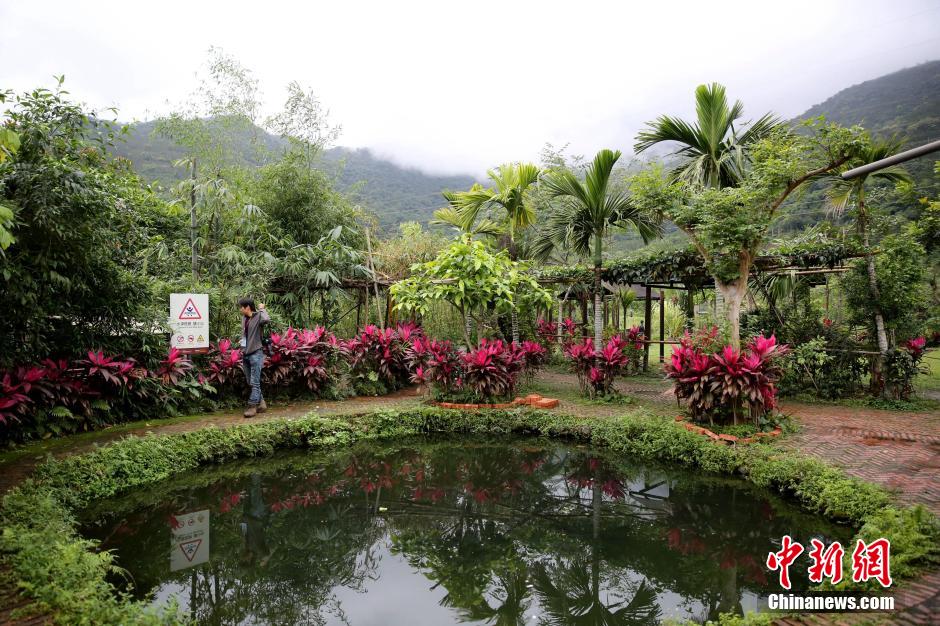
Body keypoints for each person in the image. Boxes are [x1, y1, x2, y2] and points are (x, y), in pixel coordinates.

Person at [238, 297, 270, 417]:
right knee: (249, 381)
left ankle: (252, 407)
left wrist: (262, 309)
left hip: (256, 353)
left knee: (255, 382)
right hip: (245, 353)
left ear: (247, 307)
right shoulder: (244, 318)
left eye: (241, 307)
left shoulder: (258, 317)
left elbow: (267, 319)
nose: (240, 309)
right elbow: (246, 334)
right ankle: (262, 404)